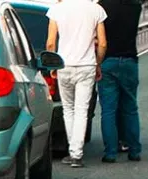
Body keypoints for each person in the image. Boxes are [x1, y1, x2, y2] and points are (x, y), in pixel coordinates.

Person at [46, 0, 108, 168]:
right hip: (87, 66)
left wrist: (53, 64)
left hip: (64, 65)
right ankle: (76, 154)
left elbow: (51, 43)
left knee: (68, 109)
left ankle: (73, 151)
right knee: (82, 110)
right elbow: (102, 43)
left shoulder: (57, 9)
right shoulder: (96, 9)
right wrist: (98, 64)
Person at [98, 0, 143, 162]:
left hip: (108, 61)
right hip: (130, 60)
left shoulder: (102, 6)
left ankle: (110, 153)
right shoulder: (135, 5)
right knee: (130, 107)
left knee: (108, 110)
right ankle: (134, 150)